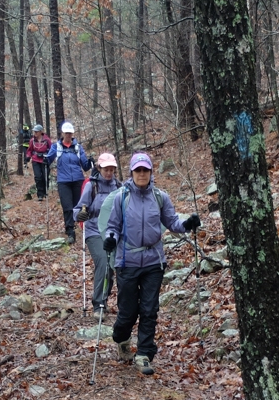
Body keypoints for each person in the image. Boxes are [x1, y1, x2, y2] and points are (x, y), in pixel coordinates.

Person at [102, 152, 200, 375]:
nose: (142, 174)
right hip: (127, 261)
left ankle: (144, 354)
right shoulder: (121, 198)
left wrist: (187, 224)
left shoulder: (160, 197)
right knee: (128, 312)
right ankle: (121, 338)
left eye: (145, 170)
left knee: (149, 309)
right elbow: (113, 226)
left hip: (154, 261)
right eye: (138, 170)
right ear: (131, 173)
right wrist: (110, 239)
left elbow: (172, 222)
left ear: (151, 172)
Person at [75, 153, 120, 317]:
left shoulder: (118, 187)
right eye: (106, 169)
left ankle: (105, 299)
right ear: (99, 168)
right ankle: (98, 304)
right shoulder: (91, 186)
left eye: (111, 169)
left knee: (112, 265)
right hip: (94, 230)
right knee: (103, 261)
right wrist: (79, 215)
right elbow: (79, 208)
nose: (109, 172)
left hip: (113, 231)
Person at [45, 121, 92, 243]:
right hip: (63, 181)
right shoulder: (56, 147)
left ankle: (84, 229)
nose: (68, 135)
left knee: (80, 206)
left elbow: (85, 166)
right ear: (62, 133)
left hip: (78, 180)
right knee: (67, 207)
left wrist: (91, 162)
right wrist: (45, 161)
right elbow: (48, 160)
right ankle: (70, 232)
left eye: (70, 133)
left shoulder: (77, 147)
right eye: (66, 133)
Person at [24, 124, 52, 200]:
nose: (35, 133)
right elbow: (29, 150)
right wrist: (28, 156)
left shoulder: (47, 140)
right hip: (35, 160)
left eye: (36, 132)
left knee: (45, 177)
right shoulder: (32, 140)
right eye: (34, 132)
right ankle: (40, 194)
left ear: (40, 132)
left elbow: (52, 150)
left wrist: (49, 158)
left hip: (44, 160)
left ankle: (46, 191)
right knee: (38, 177)